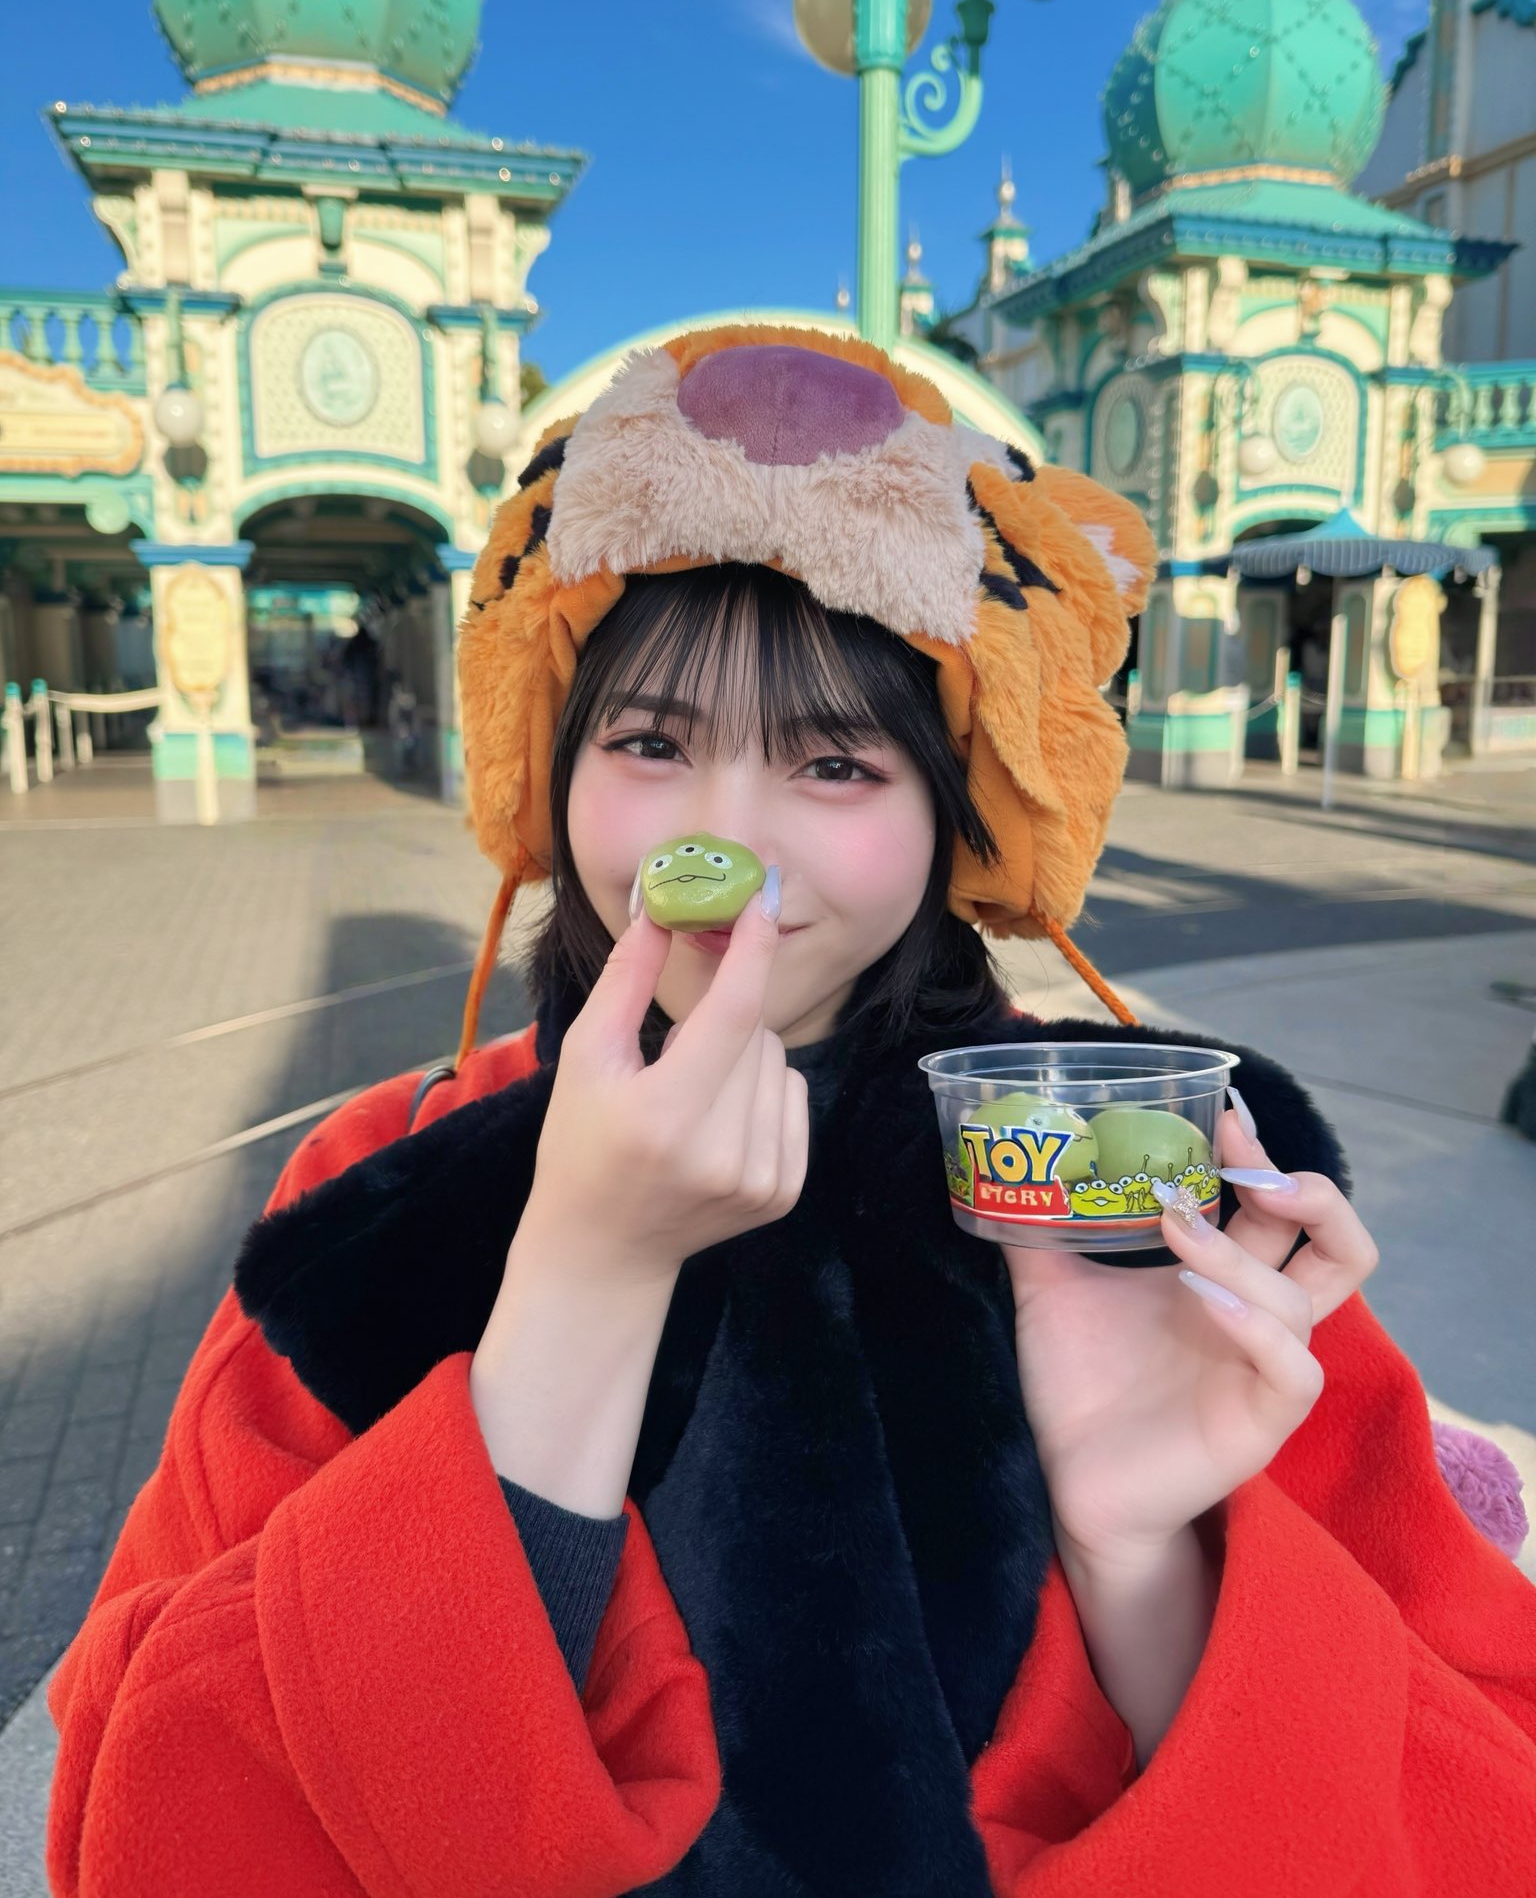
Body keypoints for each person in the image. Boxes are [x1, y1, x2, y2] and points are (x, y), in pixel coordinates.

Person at [45, 328, 1536, 1897]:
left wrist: (1147, 1565)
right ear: (549, 771)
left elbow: (1484, 1815)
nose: (727, 843)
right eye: (649, 743)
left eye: (835, 762)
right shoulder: (383, 1183)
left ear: (960, 808)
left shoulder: (1156, 1172)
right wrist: (576, 1289)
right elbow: (142, 1818)